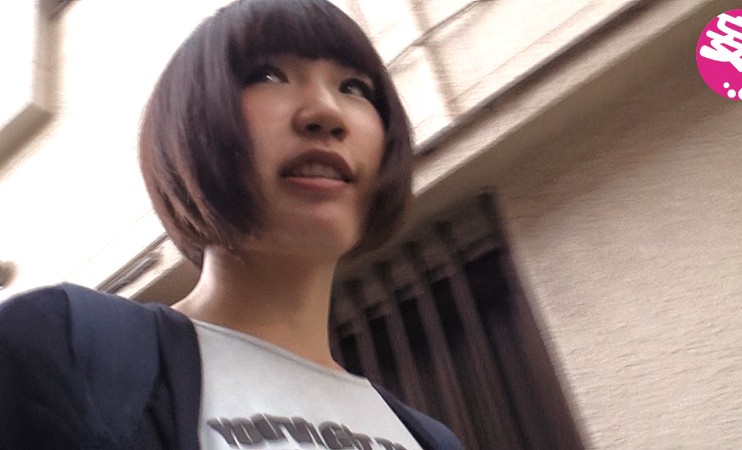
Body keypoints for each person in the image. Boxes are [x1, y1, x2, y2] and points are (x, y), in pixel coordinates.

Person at [0, 0, 464, 449]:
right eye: (268, 76)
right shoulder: (62, 347)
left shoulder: (428, 439)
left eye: (355, 88)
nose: (326, 112)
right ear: (191, 122)